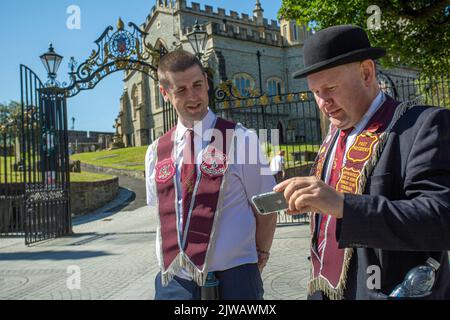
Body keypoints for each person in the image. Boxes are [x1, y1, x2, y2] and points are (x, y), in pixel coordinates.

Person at [274, 25, 450, 300]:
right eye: (316, 92)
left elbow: (441, 220)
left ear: (367, 73)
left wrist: (345, 206)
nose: (323, 102)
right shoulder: (332, 138)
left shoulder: (424, 125)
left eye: (330, 88)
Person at [145, 50, 277, 300]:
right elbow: (161, 211)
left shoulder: (243, 140)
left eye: (197, 85)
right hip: (175, 281)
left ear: (207, 82)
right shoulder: (156, 151)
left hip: (235, 277)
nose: (193, 96)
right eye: (181, 90)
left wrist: (261, 253)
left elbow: (267, 205)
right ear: (165, 93)